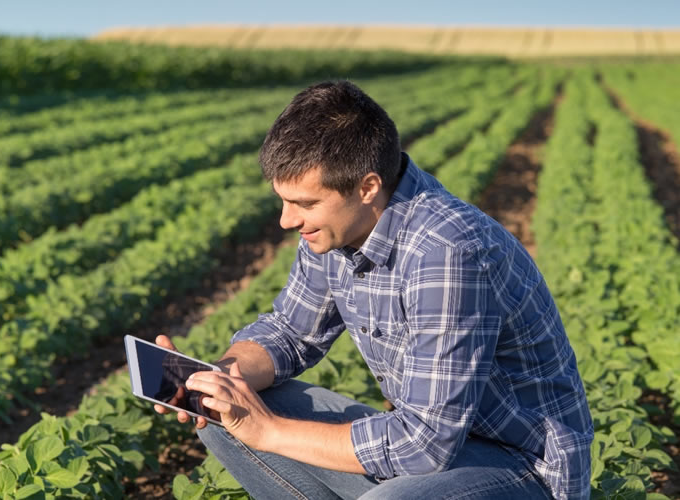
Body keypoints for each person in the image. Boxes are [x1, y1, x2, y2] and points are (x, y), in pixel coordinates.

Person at [154, 80, 593, 500]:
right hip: (433, 451)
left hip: (520, 467)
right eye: (283, 200)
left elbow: (426, 444)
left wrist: (268, 430)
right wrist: (214, 379)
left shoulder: (446, 252)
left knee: (263, 423)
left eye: (305, 203)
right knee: (224, 413)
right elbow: (292, 331)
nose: (287, 220)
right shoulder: (336, 228)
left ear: (367, 187)